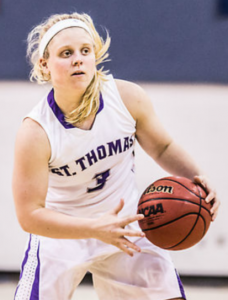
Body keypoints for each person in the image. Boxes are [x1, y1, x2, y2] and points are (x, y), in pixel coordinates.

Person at [13, 12, 220, 300]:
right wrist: (93, 227)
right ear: (44, 65)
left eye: (85, 51)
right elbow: (29, 215)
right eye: (66, 53)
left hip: (125, 225)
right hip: (63, 234)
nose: (78, 59)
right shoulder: (36, 131)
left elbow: (162, 147)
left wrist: (197, 179)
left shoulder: (126, 98)